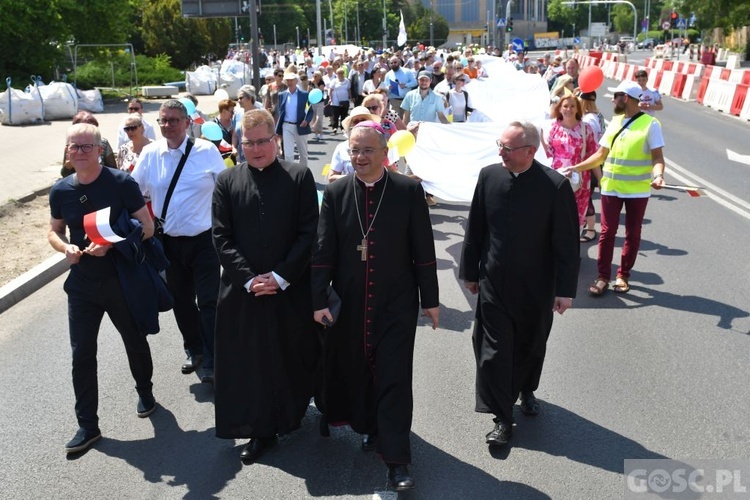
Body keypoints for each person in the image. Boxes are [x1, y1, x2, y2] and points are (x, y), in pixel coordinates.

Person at [312, 121, 439, 491]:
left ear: (386, 153)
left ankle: (398, 460)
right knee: (359, 370)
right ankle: (370, 427)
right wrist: (318, 299)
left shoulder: (407, 191)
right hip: (350, 301)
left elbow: (423, 250)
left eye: (367, 150)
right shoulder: (336, 193)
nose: (360, 157)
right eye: (353, 150)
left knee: (395, 377)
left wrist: (430, 301)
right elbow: (323, 251)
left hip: (396, 302)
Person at [459, 121, 579, 448]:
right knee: (493, 352)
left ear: (530, 151)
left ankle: (527, 389)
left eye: (507, 148)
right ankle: (502, 418)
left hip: (535, 289)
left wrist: (565, 290)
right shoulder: (489, 177)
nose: (500, 153)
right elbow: (476, 229)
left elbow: (567, 244)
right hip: (493, 284)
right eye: (499, 145)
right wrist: (470, 272)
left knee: (529, 346)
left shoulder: (554, 186)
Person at [212, 109, 320, 462]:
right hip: (244, 292)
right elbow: (221, 236)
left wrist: (280, 277)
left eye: (262, 141)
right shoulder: (227, 182)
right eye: (248, 143)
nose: (256, 149)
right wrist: (248, 278)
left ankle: (293, 414)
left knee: (292, 354)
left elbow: (308, 233)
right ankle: (260, 431)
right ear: (239, 144)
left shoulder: (299, 176)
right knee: (250, 364)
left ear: (275, 140)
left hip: (289, 288)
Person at [49, 123, 157, 454]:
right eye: (73, 148)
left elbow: (148, 228)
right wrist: (64, 247)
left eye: (86, 147)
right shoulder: (60, 190)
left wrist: (111, 245)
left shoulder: (121, 183)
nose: (79, 153)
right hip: (81, 284)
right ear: (66, 153)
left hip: (119, 278)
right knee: (82, 353)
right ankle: (88, 426)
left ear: (99, 150)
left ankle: (145, 390)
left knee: (133, 339)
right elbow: (53, 232)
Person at [132, 99, 226, 382]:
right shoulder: (150, 154)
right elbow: (135, 192)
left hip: (204, 241)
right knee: (182, 301)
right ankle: (194, 349)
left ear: (187, 123)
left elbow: (227, 191)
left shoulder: (206, 151)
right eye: (163, 120)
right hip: (169, 243)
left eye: (174, 120)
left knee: (209, 302)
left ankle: (212, 358)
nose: (168, 125)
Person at [561, 80, 665, 296]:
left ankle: (623, 275)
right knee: (607, 233)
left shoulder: (650, 125)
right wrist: (576, 167)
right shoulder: (615, 122)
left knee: (632, 234)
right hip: (611, 188)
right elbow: (600, 155)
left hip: (637, 191)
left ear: (625, 98)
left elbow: (658, 158)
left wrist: (659, 176)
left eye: (615, 96)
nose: (611, 100)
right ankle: (602, 277)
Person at [542, 94, 598, 227]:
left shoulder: (586, 129)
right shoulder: (553, 128)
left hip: (580, 180)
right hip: (558, 178)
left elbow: (593, 156)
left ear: (578, 109)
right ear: (559, 109)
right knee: (558, 216)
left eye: (572, 106)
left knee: (576, 218)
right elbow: (549, 154)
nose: (569, 109)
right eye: (565, 106)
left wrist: (600, 179)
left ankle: (574, 244)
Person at [326, 106, 383, 182]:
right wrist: (355, 178)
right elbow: (332, 178)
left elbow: (391, 172)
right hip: (350, 190)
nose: (360, 123)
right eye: (356, 121)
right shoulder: (341, 147)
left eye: (363, 120)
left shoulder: (381, 145)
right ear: (351, 125)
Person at [578, 91, 606, 242]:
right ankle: (585, 225)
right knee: (586, 197)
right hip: (596, 161)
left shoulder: (588, 119)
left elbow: (591, 145)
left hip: (591, 162)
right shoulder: (598, 115)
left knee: (586, 198)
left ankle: (590, 229)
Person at [275, 72, 314, 166]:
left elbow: (310, 111)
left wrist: (306, 121)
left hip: (300, 125)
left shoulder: (304, 95)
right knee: (288, 154)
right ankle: (290, 176)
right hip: (287, 126)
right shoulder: (282, 95)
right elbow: (280, 111)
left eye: (291, 80)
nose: (290, 82)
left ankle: (303, 175)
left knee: (303, 154)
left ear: (296, 81)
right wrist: (278, 127)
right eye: (288, 80)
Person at [61, 111, 117, 177]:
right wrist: (68, 166)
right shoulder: (71, 146)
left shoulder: (103, 143)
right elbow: (64, 174)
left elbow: (113, 170)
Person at [328, 67, 351, 134]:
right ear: (336, 73)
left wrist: (350, 97)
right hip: (335, 100)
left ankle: (342, 127)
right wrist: (330, 98)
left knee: (344, 115)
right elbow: (330, 90)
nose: (340, 74)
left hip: (344, 100)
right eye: (339, 73)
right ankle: (334, 127)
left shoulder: (347, 81)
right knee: (336, 115)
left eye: (341, 73)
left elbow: (349, 90)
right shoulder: (334, 81)